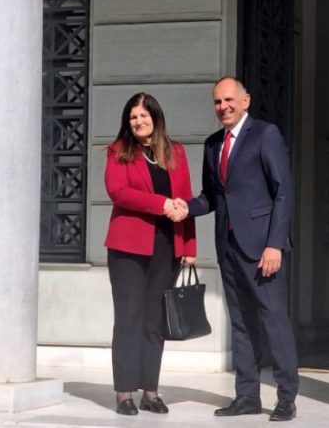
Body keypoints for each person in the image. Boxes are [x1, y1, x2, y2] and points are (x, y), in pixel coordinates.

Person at [173, 77, 298, 421]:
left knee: (273, 320)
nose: (223, 107)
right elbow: (212, 196)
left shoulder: (265, 135)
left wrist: (275, 245)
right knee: (241, 323)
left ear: (246, 100)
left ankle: (287, 397)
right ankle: (247, 396)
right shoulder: (213, 144)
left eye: (229, 100)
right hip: (228, 247)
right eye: (217, 102)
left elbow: (283, 192)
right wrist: (186, 207)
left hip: (261, 249)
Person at [104, 92, 194, 416]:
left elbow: (185, 200)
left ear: (156, 117)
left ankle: (151, 392)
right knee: (128, 318)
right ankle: (124, 393)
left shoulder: (177, 152)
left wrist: (189, 248)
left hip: (167, 247)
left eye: (144, 115)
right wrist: (160, 204)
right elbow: (118, 192)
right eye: (133, 117)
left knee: (155, 321)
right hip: (128, 248)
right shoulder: (118, 151)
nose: (138, 122)